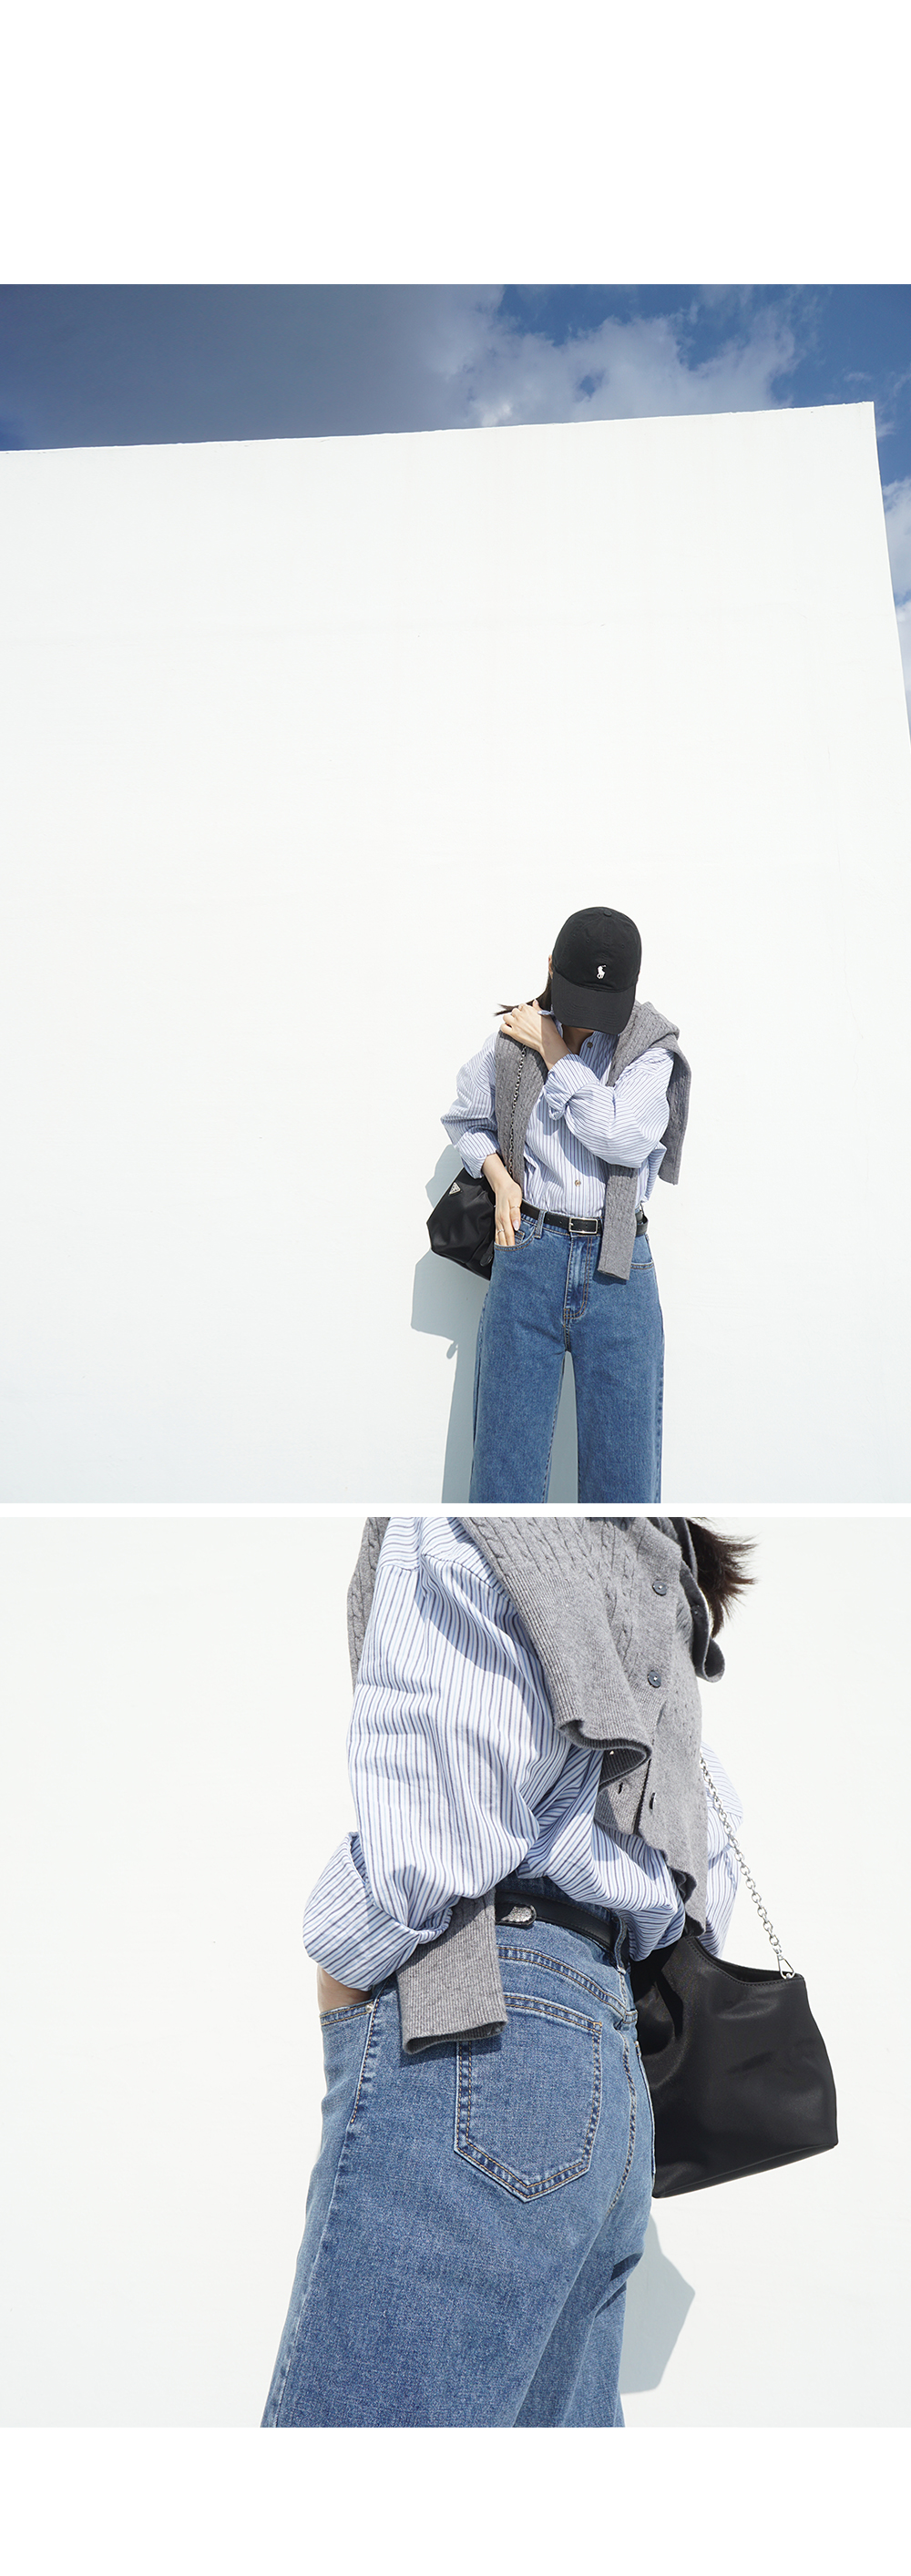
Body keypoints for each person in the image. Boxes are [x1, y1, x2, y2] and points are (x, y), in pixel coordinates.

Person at [261, 1508, 749, 2431]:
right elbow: (704, 1872)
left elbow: (438, 1821)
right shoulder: (660, 1564)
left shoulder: (470, 1521)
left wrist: (342, 1973)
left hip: (475, 2024)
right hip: (611, 2067)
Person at [441, 902, 689, 1502]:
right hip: (527, 1255)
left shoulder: (651, 1047)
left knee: (624, 1488)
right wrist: (501, 1179)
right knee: (503, 1481)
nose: (590, 1020)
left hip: (618, 1265)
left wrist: (557, 1053)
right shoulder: (511, 1041)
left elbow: (621, 1136)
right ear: (551, 966)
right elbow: (467, 1120)